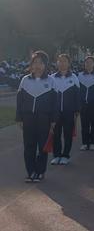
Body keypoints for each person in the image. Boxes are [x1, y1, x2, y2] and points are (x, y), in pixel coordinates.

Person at [16, 51, 57, 182]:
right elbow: (19, 101)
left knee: (42, 146)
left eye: (41, 63)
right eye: (35, 62)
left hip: (44, 119)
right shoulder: (25, 80)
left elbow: (55, 103)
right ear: (31, 65)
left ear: (46, 65)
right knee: (29, 146)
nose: (37, 65)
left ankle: (40, 171)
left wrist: (53, 121)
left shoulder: (51, 81)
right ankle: (30, 171)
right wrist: (19, 118)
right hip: (28, 119)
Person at [52, 54, 80, 165]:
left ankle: (65, 155)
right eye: (60, 61)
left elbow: (77, 97)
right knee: (56, 134)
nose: (62, 63)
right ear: (57, 63)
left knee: (68, 134)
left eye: (64, 61)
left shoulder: (74, 78)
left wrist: (77, 110)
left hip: (69, 112)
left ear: (69, 64)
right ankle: (57, 155)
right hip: (55, 112)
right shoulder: (52, 78)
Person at [78, 56, 94, 151]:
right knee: (84, 124)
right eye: (86, 62)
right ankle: (85, 143)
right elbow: (78, 91)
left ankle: (93, 143)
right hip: (83, 104)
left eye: (90, 62)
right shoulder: (80, 76)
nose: (88, 64)